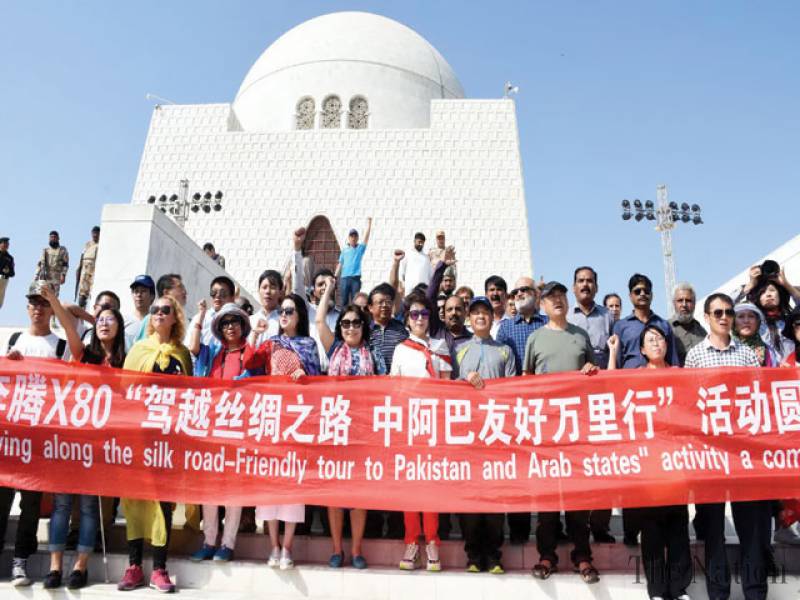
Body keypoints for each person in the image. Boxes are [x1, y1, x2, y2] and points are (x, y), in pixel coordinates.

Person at [39, 284, 126, 590]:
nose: (103, 323)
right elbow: (67, 323)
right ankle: (54, 568)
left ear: (119, 327)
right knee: (62, 505)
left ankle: (80, 567)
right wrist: (52, 300)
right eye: (100, 319)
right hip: (71, 441)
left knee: (89, 507)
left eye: (110, 319)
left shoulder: (124, 364)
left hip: (99, 446)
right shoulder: (83, 354)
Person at [685, 293, 771, 600]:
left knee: (751, 530)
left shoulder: (747, 356)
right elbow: (689, 405)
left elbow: (759, 399)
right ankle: (718, 593)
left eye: (728, 312)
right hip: (710, 455)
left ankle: (755, 592)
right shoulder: (695, 356)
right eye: (717, 312)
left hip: (743, 453)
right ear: (706, 317)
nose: (724, 317)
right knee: (713, 532)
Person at [524, 281, 600, 585]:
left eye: (561, 296)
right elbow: (525, 381)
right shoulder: (535, 339)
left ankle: (583, 557)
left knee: (579, 499)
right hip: (545, 430)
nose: (557, 301)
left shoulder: (580, 336)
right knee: (548, 500)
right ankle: (547, 556)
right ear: (542, 305)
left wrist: (589, 374)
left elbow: (596, 380)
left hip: (576, 430)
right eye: (550, 298)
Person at [607, 325, 691, 600]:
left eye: (660, 339)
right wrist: (612, 353)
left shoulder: (681, 375)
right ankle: (656, 590)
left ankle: (679, 589)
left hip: (677, 460)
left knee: (678, 527)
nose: (656, 343)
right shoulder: (636, 378)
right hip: (648, 463)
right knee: (652, 531)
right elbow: (607, 389)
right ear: (641, 350)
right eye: (649, 340)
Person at [119, 295, 193, 593]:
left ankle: (160, 568)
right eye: (155, 310)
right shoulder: (138, 350)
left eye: (166, 310)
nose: (160, 314)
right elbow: (125, 391)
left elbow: (190, 396)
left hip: (168, 440)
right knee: (134, 500)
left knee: (163, 501)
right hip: (140, 437)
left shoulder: (183, 354)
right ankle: (134, 566)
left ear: (175, 316)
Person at [0, 283, 69, 587]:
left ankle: (21, 561)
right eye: (34, 303)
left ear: (52, 308)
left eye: (44, 303)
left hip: (40, 438)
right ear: (27, 307)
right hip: (10, 435)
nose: (38, 308)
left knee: (30, 503)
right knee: (2, 500)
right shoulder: (14, 340)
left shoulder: (60, 346)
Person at [315, 276, 386, 569]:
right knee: (334, 491)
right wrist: (330, 288)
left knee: (357, 492)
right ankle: (336, 549)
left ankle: (356, 549)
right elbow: (319, 321)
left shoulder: (376, 355)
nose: (351, 328)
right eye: (345, 323)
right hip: (335, 428)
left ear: (364, 326)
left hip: (363, 431)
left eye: (356, 323)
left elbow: (385, 391)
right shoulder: (334, 350)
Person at [246, 293, 320, 569]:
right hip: (272, 421)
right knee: (269, 489)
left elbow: (317, 380)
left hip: (297, 423)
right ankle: (273, 545)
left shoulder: (309, 345)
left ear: (300, 315)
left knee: (292, 489)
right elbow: (249, 361)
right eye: (282, 310)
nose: (285, 314)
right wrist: (256, 332)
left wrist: (306, 378)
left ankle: (287, 547)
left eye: (290, 310)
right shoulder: (272, 343)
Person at [189, 303, 255, 563]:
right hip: (211, 429)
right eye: (225, 322)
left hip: (238, 429)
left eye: (235, 321)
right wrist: (201, 316)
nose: (230, 326)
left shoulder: (249, 353)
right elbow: (194, 348)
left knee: (233, 491)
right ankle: (208, 541)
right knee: (209, 490)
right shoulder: (213, 352)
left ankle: (227, 544)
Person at [391, 292, 452, 571]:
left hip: (434, 425)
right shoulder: (401, 349)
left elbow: (448, 387)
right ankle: (411, 540)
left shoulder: (440, 347)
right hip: (408, 424)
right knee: (408, 488)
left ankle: (432, 542)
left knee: (430, 487)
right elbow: (394, 388)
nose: (419, 319)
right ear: (407, 319)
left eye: (424, 314)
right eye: (414, 314)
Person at [456, 296, 515, 574]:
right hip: (467, 435)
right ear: (469, 319)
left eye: (485, 313)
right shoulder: (460, 349)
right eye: (475, 312)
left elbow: (514, 388)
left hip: (496, 434)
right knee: (469, 499)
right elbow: (447, 388)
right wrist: (464, 380)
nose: (480, 316)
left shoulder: (505, 350)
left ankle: (493, 555)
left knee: (494, 499)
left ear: (493, 319)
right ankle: (473, 555)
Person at [495, 276, 548, 543]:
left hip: (546, 407)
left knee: (548, 471)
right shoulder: (505, 329)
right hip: (516, 408)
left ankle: (551, 528)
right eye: (515, 291)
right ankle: (518, 529)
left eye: (524, 290)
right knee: (519, 470)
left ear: (537, 295)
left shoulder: (548, 323)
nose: (518, 294)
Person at [566, 266, 615, 543]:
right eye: (580, 281)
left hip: (601, 402)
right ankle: (577, 526)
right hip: (572, 404)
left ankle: (600, 525)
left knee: (602, 466)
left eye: (589, 281)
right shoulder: (565, 317)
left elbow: (613, 354)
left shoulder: (607, 317)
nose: (585, 285)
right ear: (574, 287)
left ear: (596, 287)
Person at [186, 275, 235, 347]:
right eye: (213, 292)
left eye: (223, 293)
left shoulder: (238, 320)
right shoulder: (199, 318)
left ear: (232, 298)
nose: (217, 296)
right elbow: (188, 345)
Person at [335, 217, 372, 305]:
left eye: (355, 236)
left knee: (355, 302)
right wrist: (335, 276)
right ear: (349, 237)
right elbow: (340, 264)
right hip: (344, 278)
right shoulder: (344, 250)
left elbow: (366, 237)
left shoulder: (360, 249)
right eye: (352, 236)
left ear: (357, 238)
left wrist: (369, 224)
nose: (353, 237)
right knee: (344, 301)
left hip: (355, 279)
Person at [670, 282, 707, 367]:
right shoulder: (666, 328)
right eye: (680, 301)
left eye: (688, 301)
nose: (684, 305)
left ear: (694, 304)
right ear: (674, 304)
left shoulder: (702, 332)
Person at [124, 274, 155, 349]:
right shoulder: (123, 321)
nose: (139, 295)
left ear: (152, 296)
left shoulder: (156, 321)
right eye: (136, 291)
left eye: (143, 291)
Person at [35, 230, 69, 298]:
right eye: (51, 237)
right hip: (46, 276)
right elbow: (40, 263)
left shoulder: (62, 250)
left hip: (56, 276)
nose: (53, 239)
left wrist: (63, 275)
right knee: (43, 295)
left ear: (58, 238)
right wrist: (37, 275)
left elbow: (65, 264)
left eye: (54, 237)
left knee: (54, 297)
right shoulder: (45, 250)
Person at [75, 226, 100, 308]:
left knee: (94, 294)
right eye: (93, 233)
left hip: (95, 269)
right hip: (85, 270)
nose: (95, 235)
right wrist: (78, 269)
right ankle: (81, 314)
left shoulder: (101, 244)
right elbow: (82, 257)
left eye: (97, 233)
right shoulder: (87, 244)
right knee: (82, 295)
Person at [0, 236, 15, 309]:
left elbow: (12, 273)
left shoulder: (9, 258)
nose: (7, 245)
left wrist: (7, 272)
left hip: (3, 280)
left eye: (7, 243)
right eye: (4, 243)